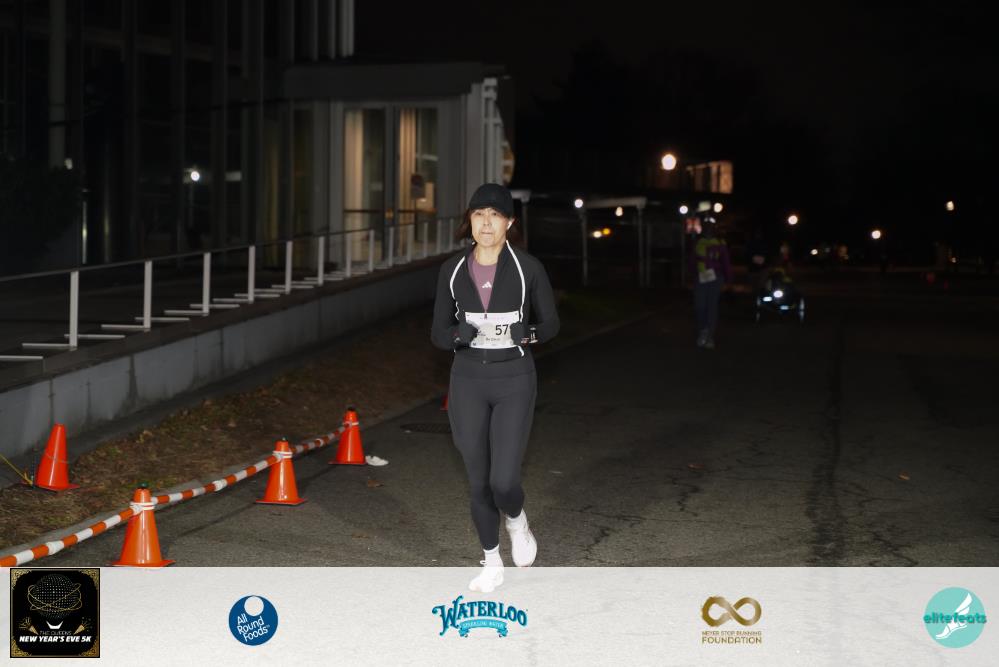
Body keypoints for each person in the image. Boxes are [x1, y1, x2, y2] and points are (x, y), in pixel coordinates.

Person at [431, 183, 560, 593]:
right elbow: (438, 333)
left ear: (509, 222)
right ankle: (491, 561)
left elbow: (551, 324)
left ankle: (517, 522)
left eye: (495, 215)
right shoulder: (452, 270)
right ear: (469, 221)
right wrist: (458, 334)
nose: (486, 223)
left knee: (503, 481)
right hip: (467, 380)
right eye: (478, 215)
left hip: (513, 380)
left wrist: (529, 333)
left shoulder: (527, 268)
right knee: (478, 481)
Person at [691, 216, 731, 349]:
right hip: (701, 278)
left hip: (716, 278)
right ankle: (703, 331)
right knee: (700, 306)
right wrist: (692, 276)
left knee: (711, 306)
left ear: (714, 229)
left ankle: (709, 336)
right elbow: (692, 261)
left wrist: (728, 280)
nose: (708, 229)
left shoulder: (720, 243)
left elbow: (726, 262)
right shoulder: (698, 242)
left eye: (710, 226)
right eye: (706, 226)